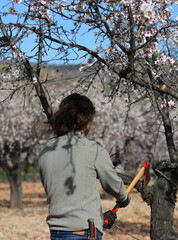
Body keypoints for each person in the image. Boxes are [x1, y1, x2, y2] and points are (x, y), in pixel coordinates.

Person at [39, 93, 130, 240]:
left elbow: (62, 195)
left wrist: (99, 218)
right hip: (84, 232)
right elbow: (112, 184)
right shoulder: (93, 149)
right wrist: (124, 198)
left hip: (56, 232)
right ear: (86, 120)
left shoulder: (45, 153)